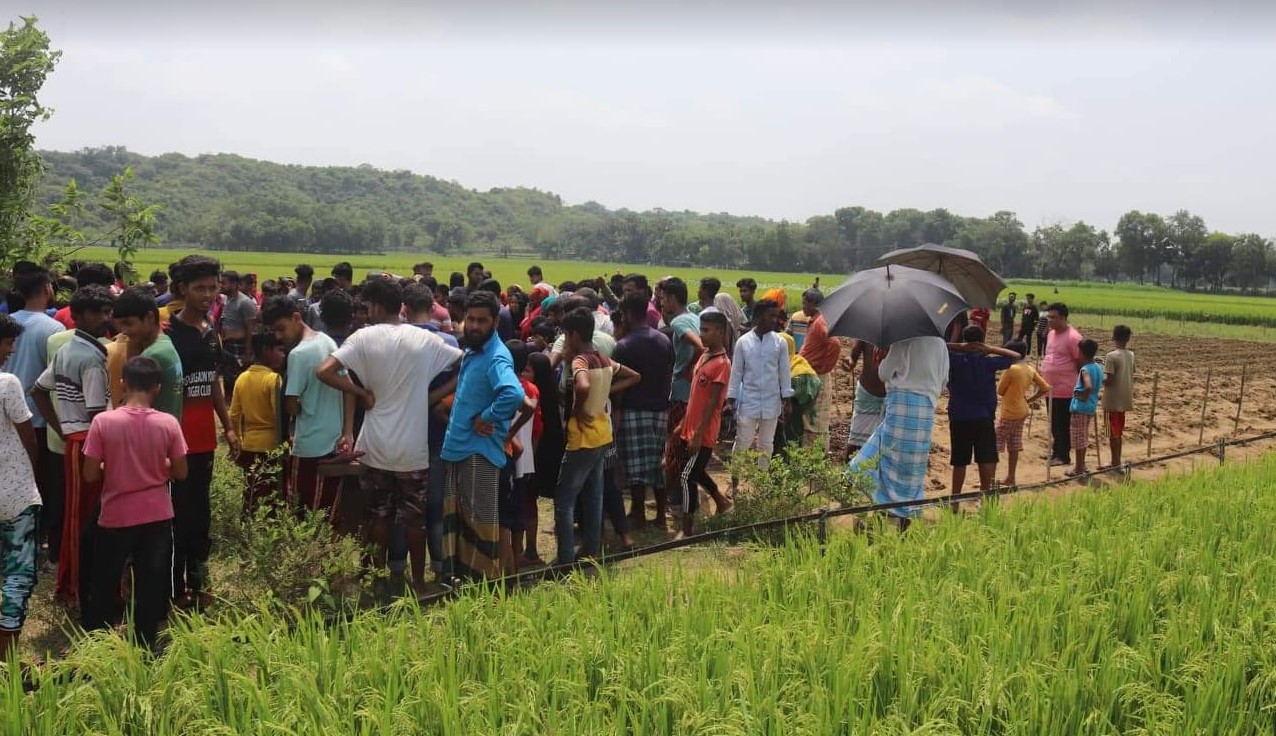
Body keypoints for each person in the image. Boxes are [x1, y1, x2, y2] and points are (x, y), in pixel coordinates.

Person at [319, 280, 462, 592]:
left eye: (367, 306)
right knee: (414, 520)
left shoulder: (362, 337)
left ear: (376, 306)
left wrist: (361, 393)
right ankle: (420, 582)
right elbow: (463, 362)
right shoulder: (423, 339)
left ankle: (381, 577)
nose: (366, 312)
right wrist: (431, 397)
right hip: (412, 448)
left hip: (374, 445)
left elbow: (324, 371)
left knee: (379, 515)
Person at [81, 356, 188, 649]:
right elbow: (181, 472)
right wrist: (159, 464)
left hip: (115, 516)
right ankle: (146, 646)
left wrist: (113, 466)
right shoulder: (168, 423)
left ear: (122, 384)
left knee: (104, 583)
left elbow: (90, 474)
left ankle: (97, 649)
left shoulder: (103, 422)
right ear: (157, 388)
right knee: (151, 586)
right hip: (156, 516)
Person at [31, 285, 113, 607]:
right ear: (76, 316)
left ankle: (72, 585)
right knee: (88, 516)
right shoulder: (91, 358)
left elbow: (39, 391)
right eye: (96, 312)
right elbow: (97, 415)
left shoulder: (67, 350)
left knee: (77, 514)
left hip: (76, 441)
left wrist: (62, 428)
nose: (104, 318)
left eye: (106, 311)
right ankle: (80, 588)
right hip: (90, 443)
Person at [166, 255, 236, 609]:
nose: (208, 294)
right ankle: (175, 590)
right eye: (200, 288)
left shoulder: (211, 332)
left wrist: (228, 426)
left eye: (213, 287)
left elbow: (212, 384)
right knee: (177, 517)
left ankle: (200, 583)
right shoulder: (167, 337)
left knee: (200, 516)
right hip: (174, 445)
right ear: (182, 289)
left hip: (205, 441)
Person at [438, 291, 521, 582]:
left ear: (495, 321)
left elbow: (513, 393)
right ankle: (464, 585)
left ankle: (485, 592)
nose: (473, 326)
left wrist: (486, 417)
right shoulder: (475, 351)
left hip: (479, 453)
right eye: (470, 320)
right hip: (461, 449)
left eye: (481, 321)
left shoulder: (497, 355)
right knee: (461, 521)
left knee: (480, 524)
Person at [553, 308, 639, 564]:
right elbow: (635, 376)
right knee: (594, 494)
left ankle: (566, 559)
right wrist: (605, 395)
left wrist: (579, 410)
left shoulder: (580, 361)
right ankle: (591, 549)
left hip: (582, 438)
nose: (565, 341)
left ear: (574, 334)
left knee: (564, 501)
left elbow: (582, 386)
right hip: (603, 434)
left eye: (566, 335)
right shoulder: (603, 359)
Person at [849, 334, 949, 531]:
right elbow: (944, 381)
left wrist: (883, 357)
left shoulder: (903, 340)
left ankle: (873, 524)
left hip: (902, 405)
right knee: (911, 471)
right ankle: (902, 528)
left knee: (884, 465)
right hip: (926, 409)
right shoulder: (940, 344)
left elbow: (884, 373)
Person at [9, 266, 63, 556]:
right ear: (46, 289)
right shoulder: (53, 329)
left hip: (7, 417)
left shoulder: (7, 322)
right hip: (39, 420)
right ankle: (38, 538)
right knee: (40, 482)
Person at [611, 292, 673, 529]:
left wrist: (617, 410)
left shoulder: (624, 346)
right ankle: (659, 515)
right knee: (656, 462)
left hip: (634, 409)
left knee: (636, 464)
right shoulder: (663, 340)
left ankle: (637, 512)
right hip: (659, 408)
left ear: (626, 314)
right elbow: (668, 373)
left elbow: (619, 387)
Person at [0, 313, 41, 664]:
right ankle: (7, 653)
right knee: (18, 573)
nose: (11, 350)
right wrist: (35, 469)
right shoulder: (7, 383)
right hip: (13, 493)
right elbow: (27, 433)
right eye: (8, 342)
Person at [670, 311, 732, 538]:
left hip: (704, 432)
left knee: (687, 476)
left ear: (720, 333)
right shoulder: (704, 356)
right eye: (701, 329)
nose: (701, 334)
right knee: (694, 472)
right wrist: (684, 423)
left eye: (706, 330)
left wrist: (697, 434)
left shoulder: (722, 364)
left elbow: (713, 404)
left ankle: (687, 528)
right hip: (690, 426)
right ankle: (722, 502)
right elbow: (696, 397)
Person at [945, 325, 1019, 503]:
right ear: (982, 341)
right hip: (983, 416)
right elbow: (1016, 357)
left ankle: (955, 499)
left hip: (959, 416)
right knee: (986, 457)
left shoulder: (954, 359)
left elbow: (940, 346)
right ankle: (985, 497)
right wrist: (990, 349)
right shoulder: (988, 361)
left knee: (959, 460)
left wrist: (959, 347)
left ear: (964, 340)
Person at [658, 278, 705, 524]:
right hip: (693, 394)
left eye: (664, 298)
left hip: (680, 393)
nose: (661, 302)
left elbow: (700, 347)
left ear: (673, 299)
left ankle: (676, 502)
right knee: (685, 447)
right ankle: (684, 499)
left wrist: (688, 368)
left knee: (675, 448)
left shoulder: (678, 322)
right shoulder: (695, 317)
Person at [727, 299, 793, 472]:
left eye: (776, 316)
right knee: (743, 441)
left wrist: (787, 398)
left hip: (772, 401)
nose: (774, 320)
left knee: (766, 444)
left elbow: (784, 372)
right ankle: (735, 478)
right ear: (758, 316)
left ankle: (762, 481)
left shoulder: (780, 343)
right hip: (749, 400)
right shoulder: (744, 342)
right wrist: (731, 398)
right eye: (770, 316)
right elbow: (736, 373)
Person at [229, 331, 284, 514]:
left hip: (249, 446)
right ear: (266, 350)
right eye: (279, 349)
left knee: (251, 497)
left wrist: (237, 442)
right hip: (270, 447)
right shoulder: (273, 379)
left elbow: (234, 415)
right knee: (271, 501)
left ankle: (247, 536)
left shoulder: (242, 378)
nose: (282, 354)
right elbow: (279, 416)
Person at [110, 287, 184, 418]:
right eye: (121, 326)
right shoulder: (164, 344)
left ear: (149, 317)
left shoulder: (152, 356)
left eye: (129, 324)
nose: (124, 331)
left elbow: (131, 409)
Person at [995, 339, 1050, 487]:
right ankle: (1011, 478)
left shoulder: (1011, 370)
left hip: (1009, 412)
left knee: (995, 444)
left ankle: (990, 480)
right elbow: (1045, 388)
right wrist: (1030, 400)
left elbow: (1000, 391)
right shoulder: (1029, 369)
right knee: (1014, 444)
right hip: (1023, 410)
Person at [525, 352, 561, 565]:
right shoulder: (552, 397)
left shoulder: (533, 397)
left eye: (527, 370)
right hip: (547, 454)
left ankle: (530, 549)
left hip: (536, 456)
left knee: (529, 500)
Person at [1040, 303, 1084, 467]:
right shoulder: (1051, 334)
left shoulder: (1073, 337)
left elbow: (1081, 362)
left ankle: (1063, 455)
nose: (1050, 320)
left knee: (1062, 424)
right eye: (1048, 317)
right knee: (1053, 423)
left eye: (1053, 317)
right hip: (1050, 388)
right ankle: (1056, 451)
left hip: (1065, 389)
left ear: (1064, 318)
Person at [797, 288, 840, 446]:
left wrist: (824, 367)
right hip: (813, 374)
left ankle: (814, 455)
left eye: (804, 303)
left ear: (813, 304)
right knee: (810, 418)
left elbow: (834, 343)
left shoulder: (820, 322)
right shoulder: (816, 321)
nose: (803, 307)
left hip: (817, 375)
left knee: (816, 420)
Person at [843, 340, 887, 461]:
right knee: (855, 442)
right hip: (867, 392)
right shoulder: (869, 331)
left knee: (884, 444)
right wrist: (850, 361)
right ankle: (846, 475)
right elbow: (853, 355)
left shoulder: (900, 336)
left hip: (891, 396)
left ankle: (874, 476)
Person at [218, 270, 259, 399]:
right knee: (228, 384)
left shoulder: (245, 302)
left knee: (239, 386)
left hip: (240, 348)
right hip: (228, 347)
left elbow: (251, 330)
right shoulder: (228, 300)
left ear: (235, 284)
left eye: (224, 283)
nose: (221, 286)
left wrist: (248, 354)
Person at [778, 333, 821, 452]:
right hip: (804, 396)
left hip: (796, 396)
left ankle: (785, 459)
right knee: (795, 427)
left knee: (789, 428)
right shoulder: (796, 359)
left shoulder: (790, 365)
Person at [1068, 339, 1104, 478]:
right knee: (1083, 436)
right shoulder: (1098, 368)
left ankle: (1078, 468)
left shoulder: (1085, 369)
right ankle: (1081, 465)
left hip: (1081, 407)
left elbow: (1088, 385)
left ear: (1082, 353)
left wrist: (1082, 395)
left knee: (1078, 438)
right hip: (1090, 407)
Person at [1103, 325, 1136, 468]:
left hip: (1111, 400)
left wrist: (1099, 378)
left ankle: (1114, 462)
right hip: (1124, 398)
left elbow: (1109, 380)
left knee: (1112, 432)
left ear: (1113, 338)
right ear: (1128, 339)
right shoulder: (1131, 355)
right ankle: (1116, 460)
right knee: (1119, 432)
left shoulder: (1111, 356)